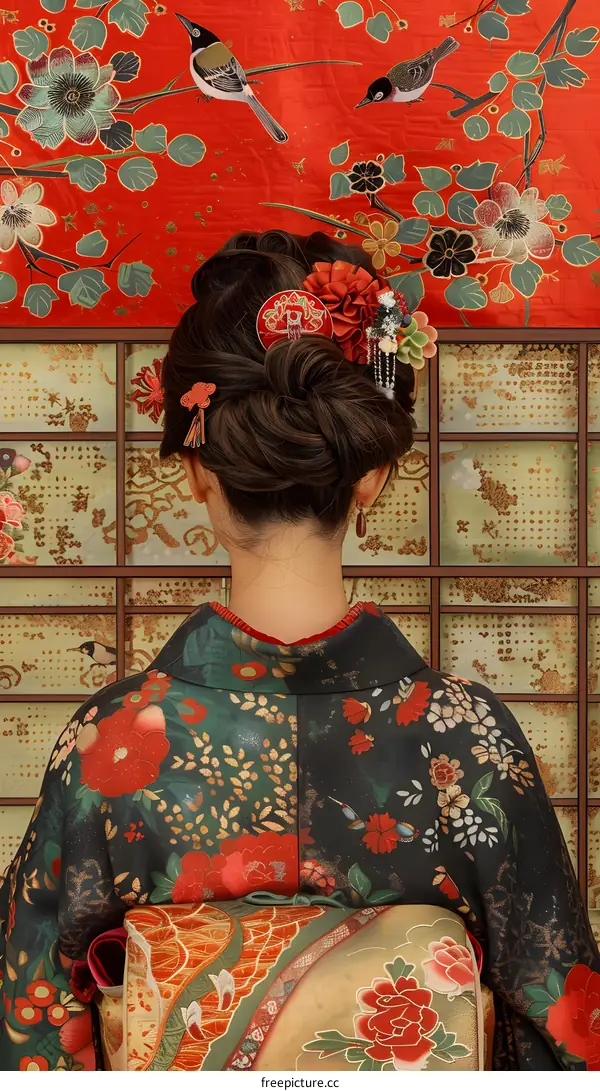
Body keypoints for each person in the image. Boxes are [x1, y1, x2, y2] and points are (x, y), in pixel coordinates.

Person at [0, 230, 598, 1072]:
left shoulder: (107, 749)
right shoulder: (468, 742)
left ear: (197, 470)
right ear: (371, 477)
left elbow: (27, 1032)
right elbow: (563, 1034)